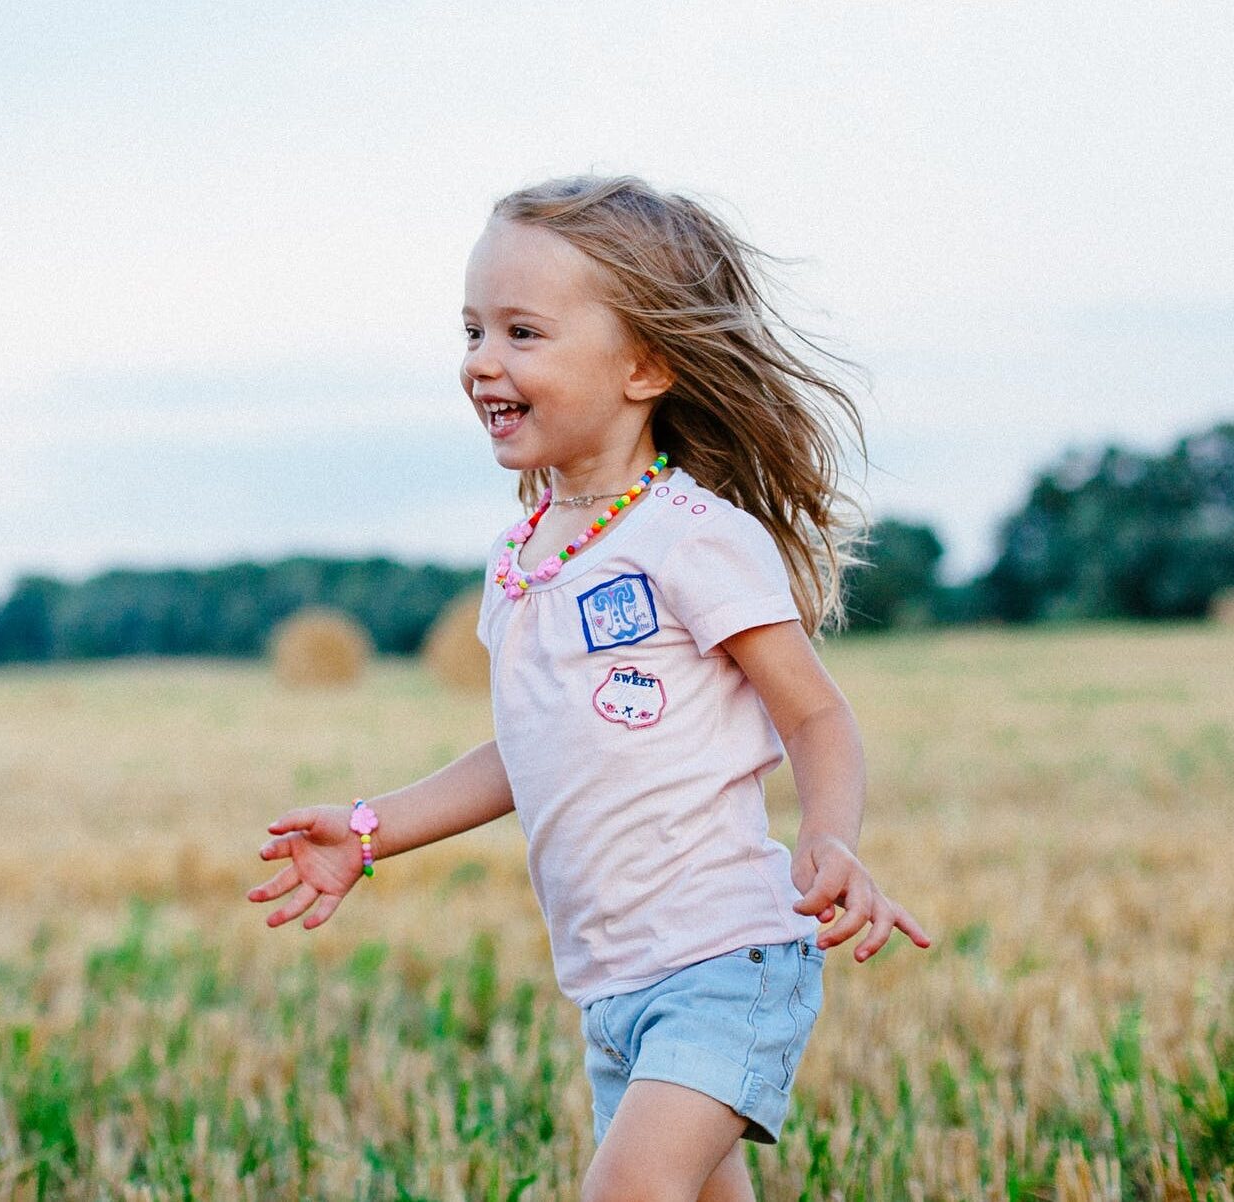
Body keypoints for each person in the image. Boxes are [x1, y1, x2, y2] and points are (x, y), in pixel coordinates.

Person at [246, 174, 931, 1202]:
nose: (482, 361)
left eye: (523, 332)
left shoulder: (695, 539)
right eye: (472, 329)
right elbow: (527, 748)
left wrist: (830, 836)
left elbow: (813, 711)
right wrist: (372, 826)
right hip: (611, 984)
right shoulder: (522, 556)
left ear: (644, 364)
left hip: (723, 959)